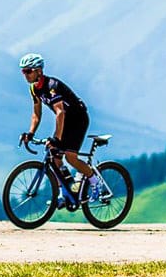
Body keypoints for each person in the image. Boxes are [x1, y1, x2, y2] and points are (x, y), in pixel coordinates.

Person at [17, 53, 103, 201]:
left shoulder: (51, 86)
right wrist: (30, 133)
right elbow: (36, 114)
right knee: (55, 158)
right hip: (65, 120)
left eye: (28, 71)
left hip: (78, 119)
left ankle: (96, 183)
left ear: (39, 71)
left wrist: (56, 138)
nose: (25, 75)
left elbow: (60, 112)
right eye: (23, 71)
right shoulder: (34, 89)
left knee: (70, 157)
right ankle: (67, 191)